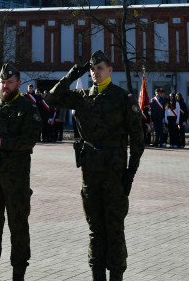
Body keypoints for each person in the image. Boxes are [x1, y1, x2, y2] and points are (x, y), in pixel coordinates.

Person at [46, 51, 144, 281]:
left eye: (99, 68)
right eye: (92, 69)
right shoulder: (82, 97)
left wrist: (130, 174)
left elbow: (138, 140)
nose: (94, 72)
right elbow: (51, 99)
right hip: (90, 174)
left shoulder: (122, 98)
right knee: (95, 230)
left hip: (114, 174)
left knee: (115, 229)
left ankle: (116, 277)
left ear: (110, 70)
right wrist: (71, 75)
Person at [0, 63, 41, 281]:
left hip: (16, 179)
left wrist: (3, 141)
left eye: (9, 82)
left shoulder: (27, 107)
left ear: (18, 83)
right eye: (2, 82)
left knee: (18, 226)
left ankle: (18, 274)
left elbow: (30, 140)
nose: (5, 86)